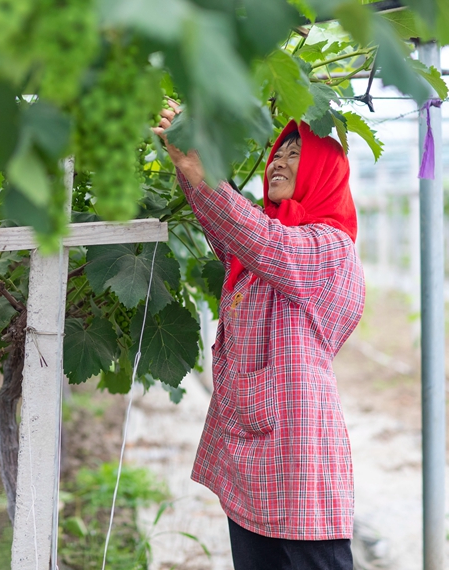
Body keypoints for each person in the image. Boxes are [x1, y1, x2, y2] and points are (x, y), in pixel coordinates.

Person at [154, 109, 365, 570]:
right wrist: (191, 154)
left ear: (321, 173)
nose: (279, 162)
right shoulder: (262, 246)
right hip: (253, 449)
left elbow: (261, 240)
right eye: (278, 153)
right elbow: (229, 228)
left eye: (296, 155)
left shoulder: (330, 248)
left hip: (299, 454)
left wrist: (200, 172)